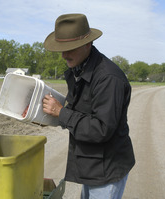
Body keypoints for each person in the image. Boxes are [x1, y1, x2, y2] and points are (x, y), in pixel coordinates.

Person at [42, 13, 135, 199]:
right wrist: (50, 116)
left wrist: (61, 113)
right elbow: (80, 112)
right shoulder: (78, 68)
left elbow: (101, 128)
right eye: (61, 48)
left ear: (88, 44)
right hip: (91, 165)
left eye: (70, 48)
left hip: (106, 169)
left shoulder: (109, 78)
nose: (64, 55)